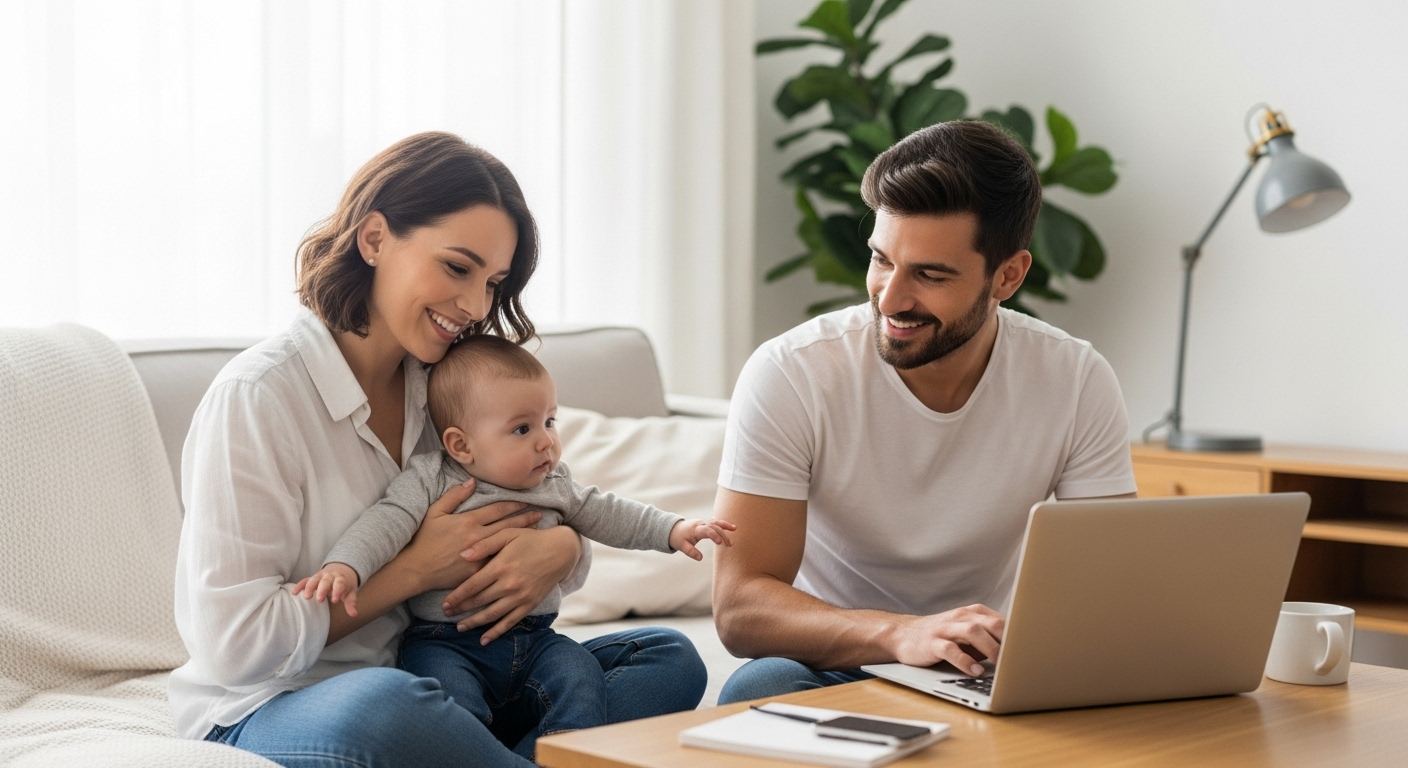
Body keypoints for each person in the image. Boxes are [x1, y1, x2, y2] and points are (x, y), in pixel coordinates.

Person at [171, 132, 707, 767]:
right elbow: (235, 646)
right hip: (287, 700)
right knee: (384, 708)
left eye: (494, 281)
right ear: (374, 240)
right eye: (457, 267)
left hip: (457, 676)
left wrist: (560, 547)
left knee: (666, 658)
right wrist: (415, 571)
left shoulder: (450, 389)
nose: (476, 305)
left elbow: (547, 504)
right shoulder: (258, 398)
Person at [712, 120, 1138, 704]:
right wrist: (902, 634)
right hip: (840, 657)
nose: (890, 298)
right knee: (761, 686)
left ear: (1008, 276)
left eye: (930, 275)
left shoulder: (1075, 377)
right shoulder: (793, 371)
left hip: (982, 668)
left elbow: (1110, 584)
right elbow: (740, 608)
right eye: (882, 260)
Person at [292, 335, 735, 759]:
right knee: (445, 701)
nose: (546, 440)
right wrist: (345, 567)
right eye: (522, 428)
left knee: (581, 677)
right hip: (448, 642)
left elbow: (609, 513)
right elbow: (384, 523)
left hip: (536, 639)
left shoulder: (555, 484)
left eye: (549, 421)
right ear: (460, 445)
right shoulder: (431, 478)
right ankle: (481, 753)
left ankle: (563, 753)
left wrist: (672, 530)